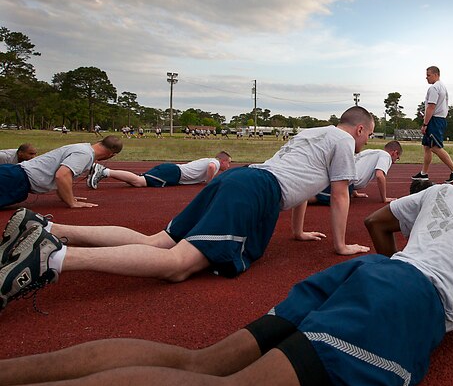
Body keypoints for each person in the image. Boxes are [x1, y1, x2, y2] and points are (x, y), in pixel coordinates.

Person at [0, 146, 453, 386]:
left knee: (202, 362)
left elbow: (381, 221)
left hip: (366, 274)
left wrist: (387, 266)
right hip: (405, 298)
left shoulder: (443, 192)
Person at [0, 107, 375, 309]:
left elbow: (300, 183)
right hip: (255, 192)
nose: (366, 142)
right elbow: (340, 194)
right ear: (359, 129)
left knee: (157, 241)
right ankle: (51, 259)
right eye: (369, 135)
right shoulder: (344, 141)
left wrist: (296, 232)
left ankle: (47, 228)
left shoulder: (311, 133)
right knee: (178, 267)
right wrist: (340, 246)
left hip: (242, 180)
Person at [0, 136, 123, 210]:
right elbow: (62, 175)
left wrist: (67, 196)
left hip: (15, 177)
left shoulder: (82, 148)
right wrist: (71, 202)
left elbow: (61, 175)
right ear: (111, 154)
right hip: (16, 180)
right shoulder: (85, 154)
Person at [411, 66, 453, 184]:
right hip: (438, 119)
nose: (426, 77)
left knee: (435, 147)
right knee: (427, 146)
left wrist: (425, 124)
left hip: (435, 120)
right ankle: (424, 173)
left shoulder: (434, 88)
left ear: (436, 74)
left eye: (428, 75)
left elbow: (431, 107)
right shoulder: (442, 86)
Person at [311, 141, 403, 204]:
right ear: (394, 153)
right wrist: (384, 198)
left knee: (316, 192)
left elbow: (354, 164)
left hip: (341, 175)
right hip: (345, 181)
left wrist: (354, 192)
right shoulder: (386, 156)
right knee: (319, 198)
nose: (395, 161)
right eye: (397, 158)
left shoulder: (371, 152)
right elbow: (379, 175)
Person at [86, 152, 232, 189]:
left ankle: (104, 172)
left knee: (138, 181)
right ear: (223, 160)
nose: (229, 166)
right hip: (173, 173)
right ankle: (104, 171)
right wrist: (209, 181)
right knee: (139, 181)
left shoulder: (209, 160)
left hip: (172, 170)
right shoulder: (215, 162)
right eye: (229, 163)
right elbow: (212, 167)